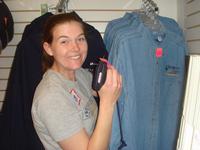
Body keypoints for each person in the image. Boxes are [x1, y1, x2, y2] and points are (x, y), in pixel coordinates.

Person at [31, 12, 122, 150]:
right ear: (49, 48)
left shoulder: (78, 73)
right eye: (64, 41)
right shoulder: (51, 97)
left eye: (80, 39)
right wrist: (107, 103)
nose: (76, 48)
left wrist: (112, 81)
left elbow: (101, 88)